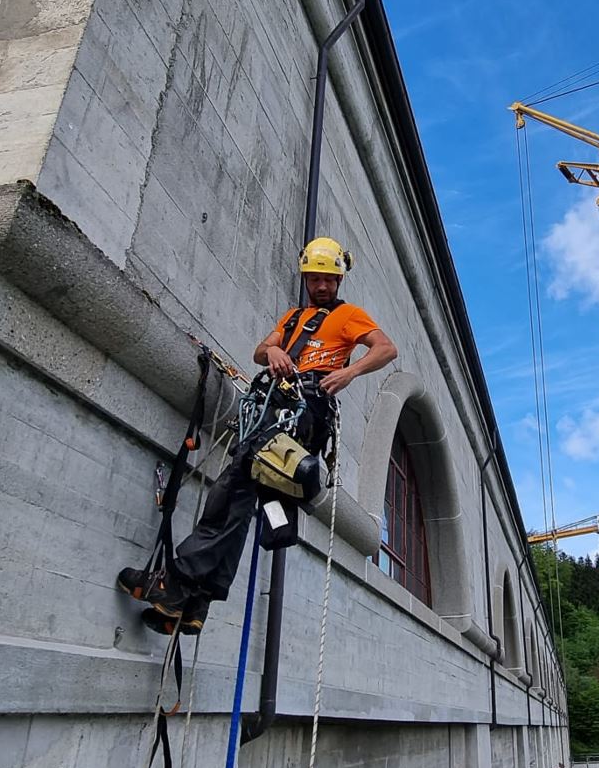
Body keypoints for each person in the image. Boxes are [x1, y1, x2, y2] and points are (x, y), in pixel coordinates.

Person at [118, 236, 397, 633]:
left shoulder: (349, 315)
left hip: (300, 411)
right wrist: (274, 353)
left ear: (339, 280)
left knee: (231, 491)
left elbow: (386, 348)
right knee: (240, 501)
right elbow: (260, 350)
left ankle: (173, 585)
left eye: (329, 280)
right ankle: (195, 605)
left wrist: (348, 372)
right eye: (315, 278)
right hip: (275, 403)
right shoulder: (292, 318)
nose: (321, 286)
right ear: (305, 277)